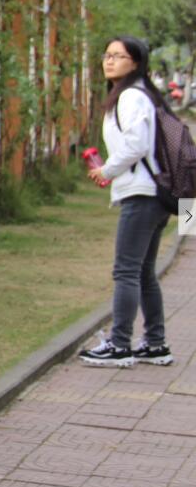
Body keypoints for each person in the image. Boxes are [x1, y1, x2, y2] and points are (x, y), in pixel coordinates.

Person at [79, 36, 173, 368]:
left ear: (136, 63)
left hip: (142, 195)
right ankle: (156, 344)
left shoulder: (132, 96)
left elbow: (136, 144)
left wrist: (107, 169)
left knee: (126, 271)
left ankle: (119, 345)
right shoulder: (142, 95)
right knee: (143, 271)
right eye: (107, 55)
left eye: (118, 56)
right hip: (154, 195)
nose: (109, 60)